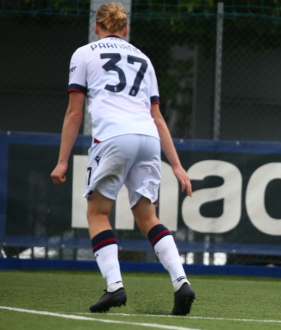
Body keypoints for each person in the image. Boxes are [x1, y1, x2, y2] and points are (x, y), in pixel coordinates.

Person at [50, 2, 195, 315]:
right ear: (125, 30)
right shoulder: (143, 58)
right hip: (148, 139)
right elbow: (157, 117)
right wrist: (178, 166)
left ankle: (115, 287)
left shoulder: (84, 53)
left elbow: (75, 113)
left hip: (114, 137)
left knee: (98, 213)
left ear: (96, 27)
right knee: (147, 216)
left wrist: (62, 161)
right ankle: (181, 280)